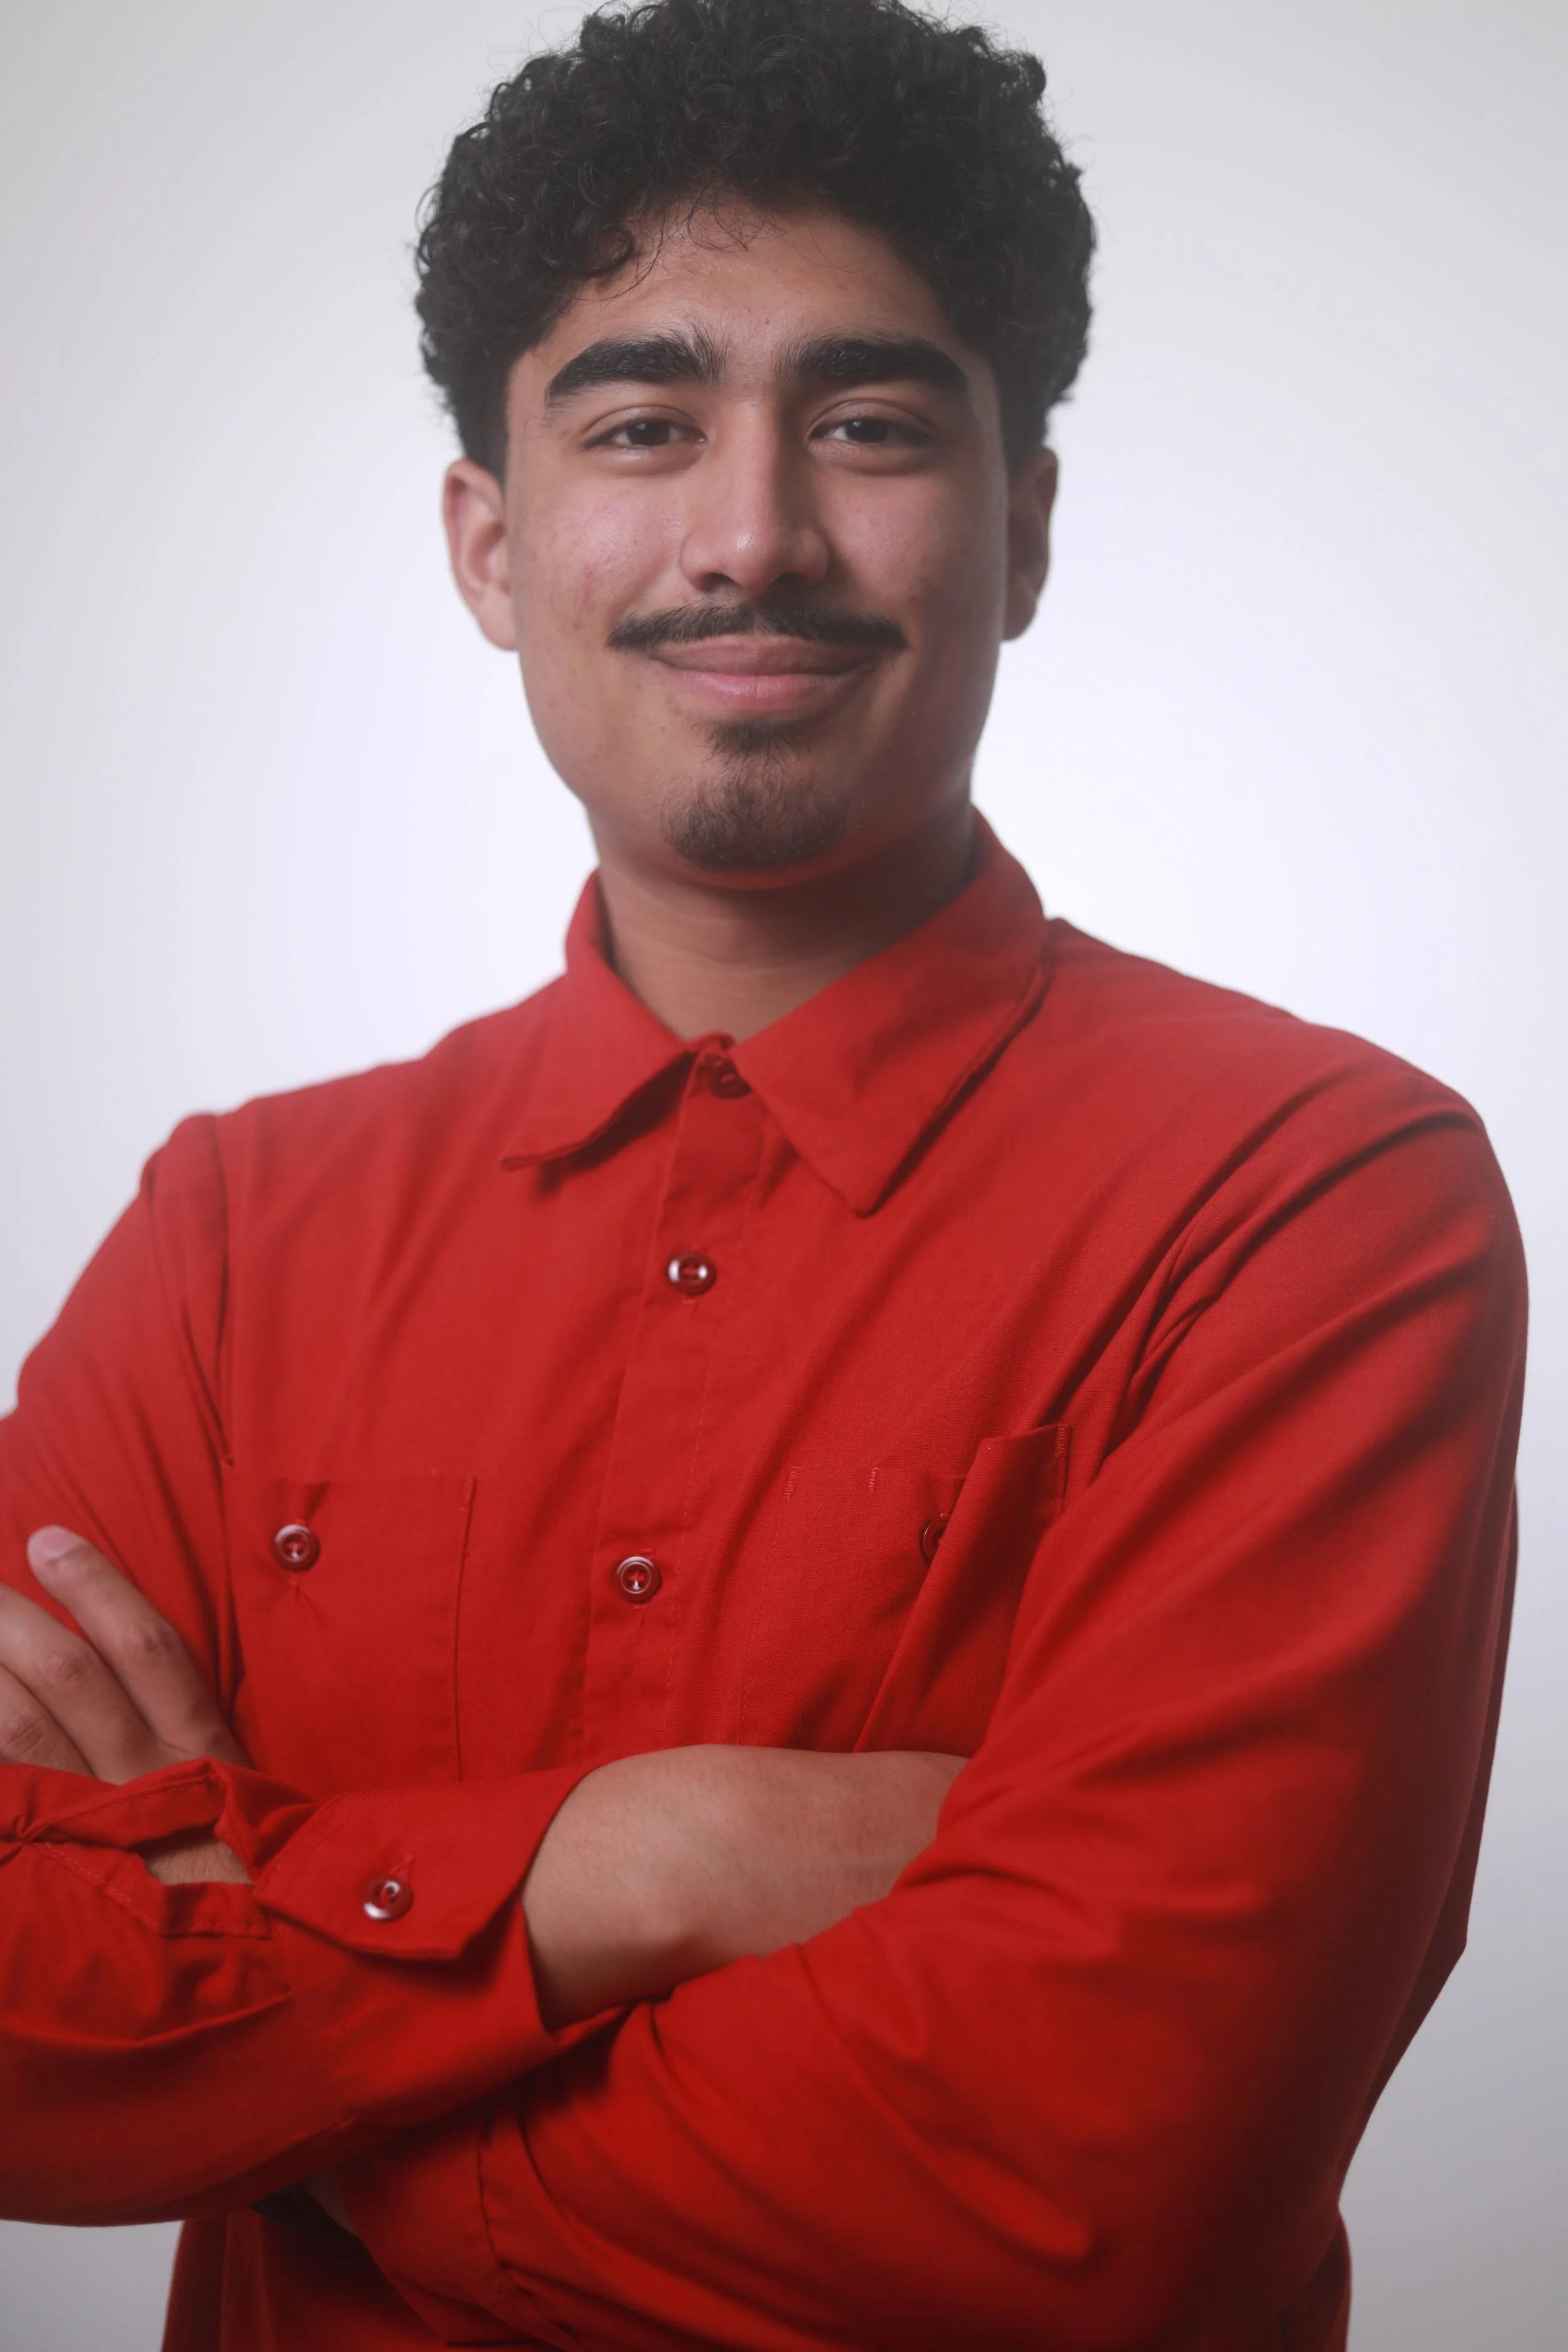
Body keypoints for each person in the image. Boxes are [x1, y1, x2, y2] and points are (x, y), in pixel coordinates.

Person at [0, 1, 1524, 2346]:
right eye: (641, 422)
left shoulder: (1312, 1204)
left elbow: (1072, 2190)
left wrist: (279, 2033)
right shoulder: (226, 1237)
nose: (751, 532)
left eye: (872, 423)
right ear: (493, 549)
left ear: (1020, 532)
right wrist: (636, 1866)